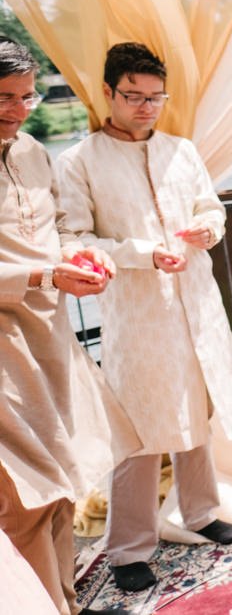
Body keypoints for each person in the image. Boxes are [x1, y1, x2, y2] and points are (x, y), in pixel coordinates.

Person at [56, 43, 232, 593]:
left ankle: (200, 513)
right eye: (134, 96)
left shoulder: (182, 149)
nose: (147, 106)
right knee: (141, 429)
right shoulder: (79, 161)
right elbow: (74, 237)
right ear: (108, 92)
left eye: (156, 97)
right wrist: (142, 253)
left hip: (196, 300)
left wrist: (209, 229)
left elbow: (210, 207)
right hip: (136, 312)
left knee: (197, 408)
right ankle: (128, 548)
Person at [0, 38, 140, 615]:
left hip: (49, 336)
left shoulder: (31, 150)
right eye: (5, 97)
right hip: (4, 348)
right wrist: (44, 276)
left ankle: (64, 601)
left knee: (59, 485)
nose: (20, 108)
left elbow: (57, 224)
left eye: (28, 96)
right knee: (23, 498)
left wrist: (81, 258)